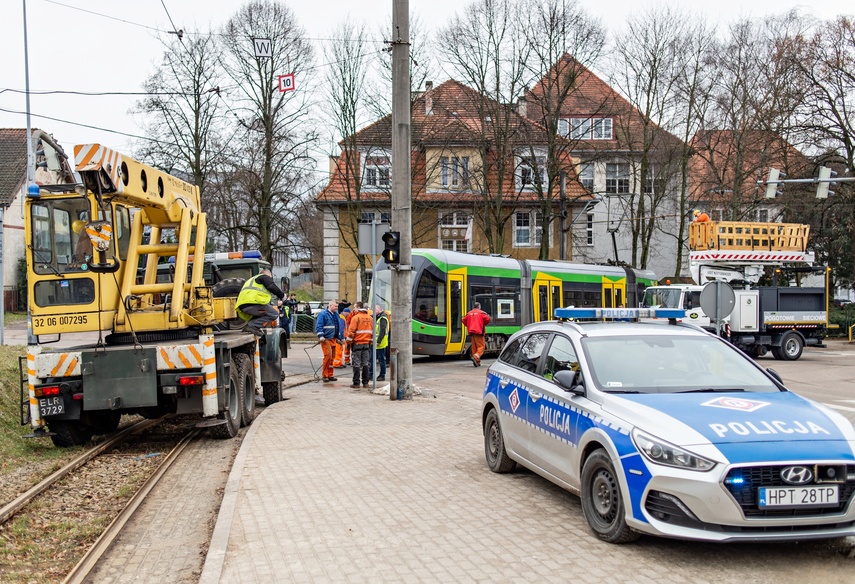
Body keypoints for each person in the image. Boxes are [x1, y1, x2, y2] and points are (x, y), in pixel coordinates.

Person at [235, 268, 285, 340]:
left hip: (244, 305)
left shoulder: (251, 280)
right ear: (267, 275)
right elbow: (272, 286)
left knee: (263, 314)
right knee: (273, 313)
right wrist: (283, 296)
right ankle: (251, 326)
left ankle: (252, 327)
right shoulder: (263, 277)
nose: (270, 279)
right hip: (253, 303)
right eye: (270, 278)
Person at [345, 301, 373, 388]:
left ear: (358, 307)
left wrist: (348, 342)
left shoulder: (356, 318)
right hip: (367, 343)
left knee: (356, 363)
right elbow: (372, 332)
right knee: (365, 363)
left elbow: (351, 332)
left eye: (354, 307)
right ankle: (365, 382)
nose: (353, 309)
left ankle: (356, 383)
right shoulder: (370, 318)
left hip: (357, 343)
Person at [315, 300, 343, 382]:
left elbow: (338, 326)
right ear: (330, 305)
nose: (336, 308)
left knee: (332, 357)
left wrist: (339, 337)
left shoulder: (336, 315)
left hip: (333, 338)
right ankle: (325, 375)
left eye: (337, 306)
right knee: (328, 356)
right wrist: (321, 336)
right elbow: (319, 325)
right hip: (326, 338)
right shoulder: (323, 314)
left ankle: (330, 374)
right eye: (335, 306)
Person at [462, 302, 491, 367]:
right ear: (479, 307)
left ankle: (477, 362)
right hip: (479, 332)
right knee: (481, 346)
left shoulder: (469, 313)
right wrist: (483, 323)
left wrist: (469, 325)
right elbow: (488, 319)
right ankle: (475, 357)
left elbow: (463, 320)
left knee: (474, 347)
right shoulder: (481, 313)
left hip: (471, 332)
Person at [374, 305, 389, 382]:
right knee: (374, 359)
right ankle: (372, 374)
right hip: (377, 342)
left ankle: (382, 375)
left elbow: (382, 331)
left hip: (380, 343)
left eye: (375, 310)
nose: (374, 312)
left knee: (381, 360)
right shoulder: (379, 317)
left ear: (379, 310)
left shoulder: (382, 318)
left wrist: (378, 341)